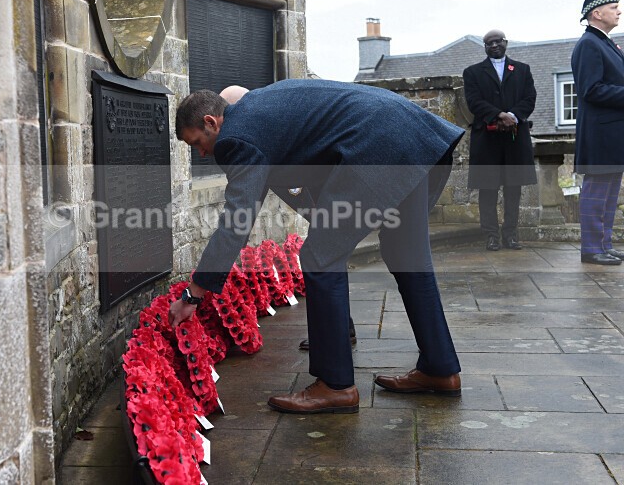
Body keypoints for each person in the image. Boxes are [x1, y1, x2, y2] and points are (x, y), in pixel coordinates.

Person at [169, 79, 464, 414]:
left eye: (198, 143)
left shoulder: (237, 136)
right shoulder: (263, 111)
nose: (203, 153)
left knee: (319, 257)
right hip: (414, 135)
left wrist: (194, 292)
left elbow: (237, 221)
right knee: (406, 254)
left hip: (378, 146)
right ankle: (440, 368)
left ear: (211, 122)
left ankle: (335, 385)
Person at [219, 85, 357, 351]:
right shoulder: (258, 139)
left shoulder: (272, 132)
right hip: (319, 203)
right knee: (323, 259)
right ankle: (339, 330)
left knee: (322, 259)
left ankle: (336, 335)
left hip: (333, 194)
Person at [462, 29, 537, 251]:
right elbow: (473, 101)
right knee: (488, 189)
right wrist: (498, 115)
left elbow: (529, 98)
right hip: (487, 139)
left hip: (515, 137)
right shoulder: (472, 72)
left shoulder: (523, 70)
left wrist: (512, 115)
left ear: (506, 43)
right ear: (484, 47)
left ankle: (511, 235)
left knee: (513, 188)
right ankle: (491, 236)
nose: (494, 45)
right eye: (489, 43)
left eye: (498, 41)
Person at [572, 0, 624, 265]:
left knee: (610, 192)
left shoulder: (604, 43)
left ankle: (604, 243)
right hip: (600, 133)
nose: (619, 11)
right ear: (596, 13)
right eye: (614, 7)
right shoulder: (589, 44)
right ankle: (592, 248)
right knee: (597, 192)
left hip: (612, 133)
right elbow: (591, 89)